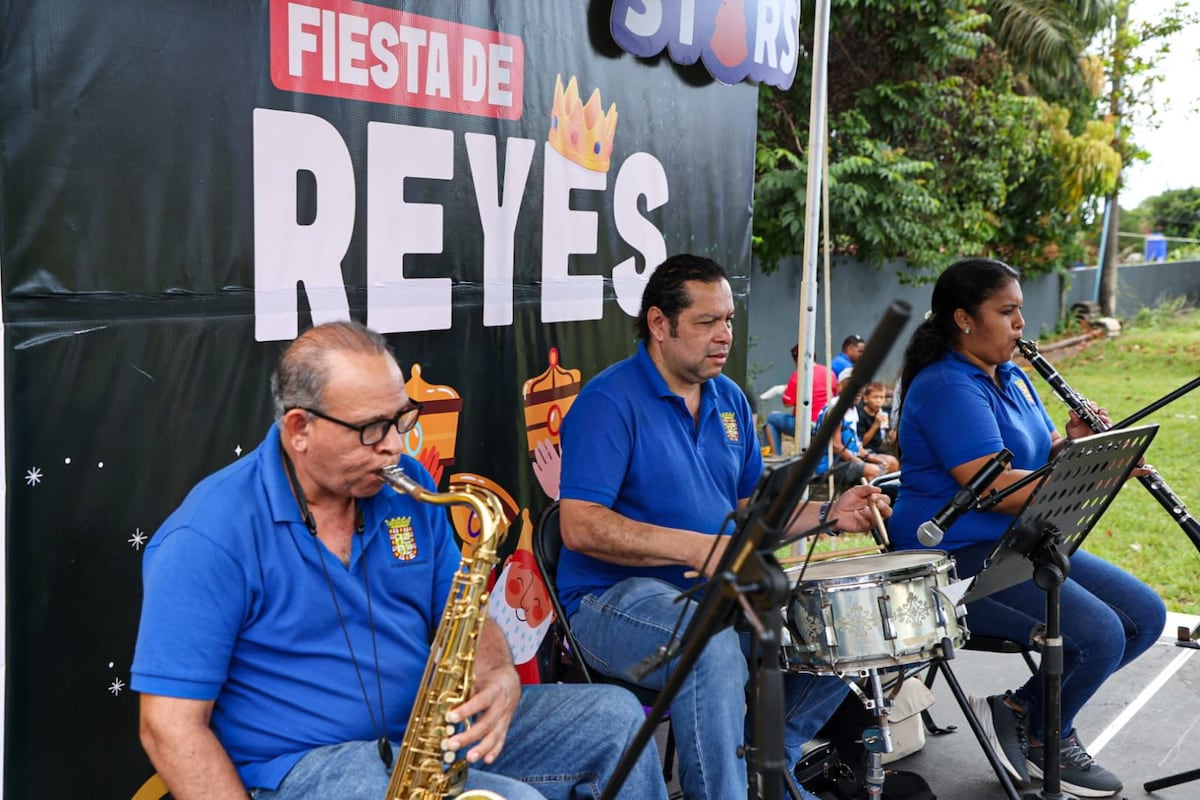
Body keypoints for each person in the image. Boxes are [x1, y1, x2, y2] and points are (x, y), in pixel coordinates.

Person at [131, 321, 668, 800]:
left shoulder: (409, 488)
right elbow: (169, 726)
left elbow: (465, 617)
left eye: (400, 420)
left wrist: (499, 673)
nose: (393, 446)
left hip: (427, 734)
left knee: (616, 720)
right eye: (371, 429)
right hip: (303, 770)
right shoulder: (209, 534)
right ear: (299, 429)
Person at [555, 254, 892, 800]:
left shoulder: (730, 399)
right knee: (708, 647)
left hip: (713, 590)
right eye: (707, 322)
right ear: (660, 325)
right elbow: (580, 526)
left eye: (728, 320)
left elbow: (751, 516)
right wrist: (700, 549)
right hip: (610, 600)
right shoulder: (608, 401)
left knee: (839, 625)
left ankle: (764, 771)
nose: (724, 335)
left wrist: (831, 514)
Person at [890, 258, 1165, 798]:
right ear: (964, 319)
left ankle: (1024, 711)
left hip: (1020, 540)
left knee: (1145, 616)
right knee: (1099, 635)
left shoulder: (1009, 375)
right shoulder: (947, 384)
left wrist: (1077, 444)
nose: (1021, 324)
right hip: (953, 558)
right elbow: (993, 487)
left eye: (1020, 310)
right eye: (1007, 311)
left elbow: (1035, 463)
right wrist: (1101, 468)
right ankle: (1045, 736)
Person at [765, 344, 836, 455]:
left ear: (796, 359)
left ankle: (776, 457)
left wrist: (786, 390)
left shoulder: (798, 376)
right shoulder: (829, 373)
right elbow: (834, 394)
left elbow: (787, 403)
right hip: (825, 423)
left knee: (771, 419)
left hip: (808, 425)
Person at [856, 380, 899, 472]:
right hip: (865, 450)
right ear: (866, 398)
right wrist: (875, 425)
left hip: (877, 448)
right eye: (875, 397)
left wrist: (891, 435)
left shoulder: (881, 413)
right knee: (891, 462)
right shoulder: (860, 415)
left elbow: (886, 432)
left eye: (882, 397)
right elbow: (862, 442)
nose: (879, 401)